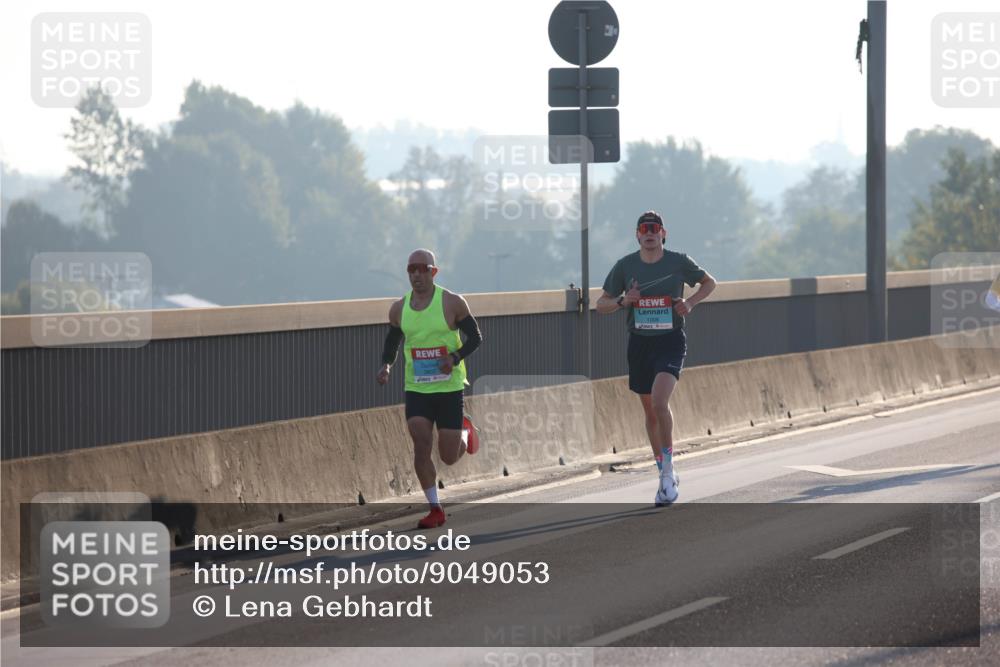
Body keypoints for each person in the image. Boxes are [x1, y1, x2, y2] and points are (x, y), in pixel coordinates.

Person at [596, 211, 717, 506]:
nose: (649, 233)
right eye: (644, 229)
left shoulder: (678, 262)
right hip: (639, 343)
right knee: (650, 412)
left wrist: (690, 303)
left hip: (670, 341)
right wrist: (624, 300)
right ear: (637, 235)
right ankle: (662, 468)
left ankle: (668, 472)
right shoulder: (625, 266)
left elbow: (709, 283)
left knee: (661, 402)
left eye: (655, 228)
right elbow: (601, 304)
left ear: (663, 233)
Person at [377, 249, 483, 528]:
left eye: (422, 269)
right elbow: (393, 341)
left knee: (448, 456)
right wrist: (386, 366)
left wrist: (454, 358)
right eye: (411, 269)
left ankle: (465, 431)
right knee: (421, 446)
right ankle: (435, 508)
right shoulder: (399, 309)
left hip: (449, 388)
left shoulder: (452, 302)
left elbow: (475, 337)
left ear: (433, 272)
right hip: (417, 389)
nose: (416, 274)